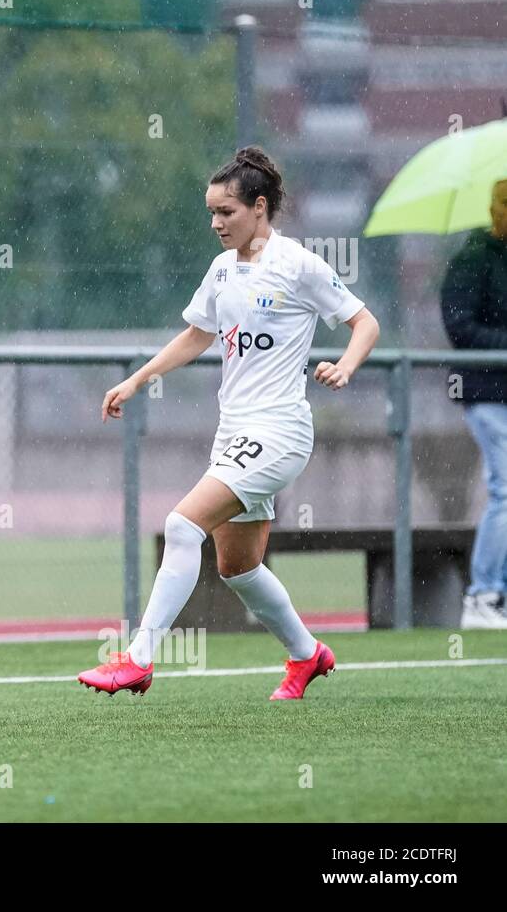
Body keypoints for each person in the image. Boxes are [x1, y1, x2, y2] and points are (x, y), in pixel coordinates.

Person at [78, 147, 380, 701]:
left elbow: (364, 322)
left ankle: (139, 659)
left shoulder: (297, 264)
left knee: (181, 525)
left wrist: (346, 364)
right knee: (238, 566)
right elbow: (197, 334)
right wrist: (137, 379)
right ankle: (307, 654)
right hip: (235, 432)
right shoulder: (222, 269)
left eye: (227, 212)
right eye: (212, 213)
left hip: (279, 431)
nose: (216, 223)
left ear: (259, 207)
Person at [440, 177, 507, 629]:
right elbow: (460, 328)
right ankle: (483, 593)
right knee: (505, 487)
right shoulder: (473, 258)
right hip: (485, 392)